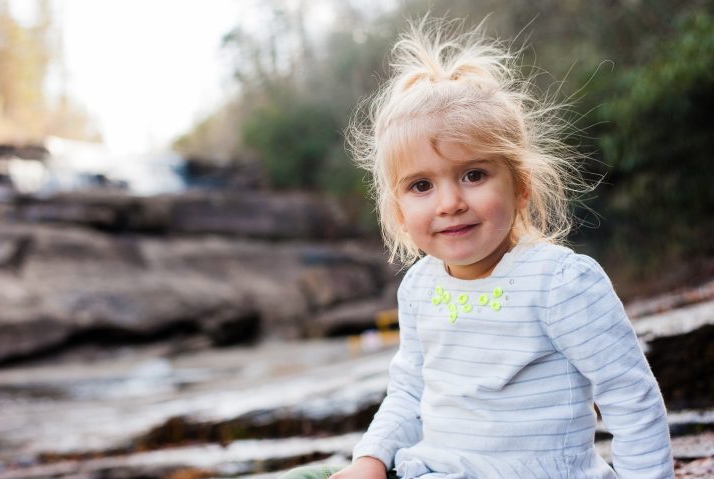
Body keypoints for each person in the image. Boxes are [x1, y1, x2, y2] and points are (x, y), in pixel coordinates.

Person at [281, 17, 674, 479]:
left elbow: (630, 397)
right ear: (398, 211)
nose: (450, 203)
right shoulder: (420, 287)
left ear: (520, 186)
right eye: (422, 185)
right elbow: (409, 392)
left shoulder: (559, 282)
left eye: (474, 175)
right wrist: (369, 459)